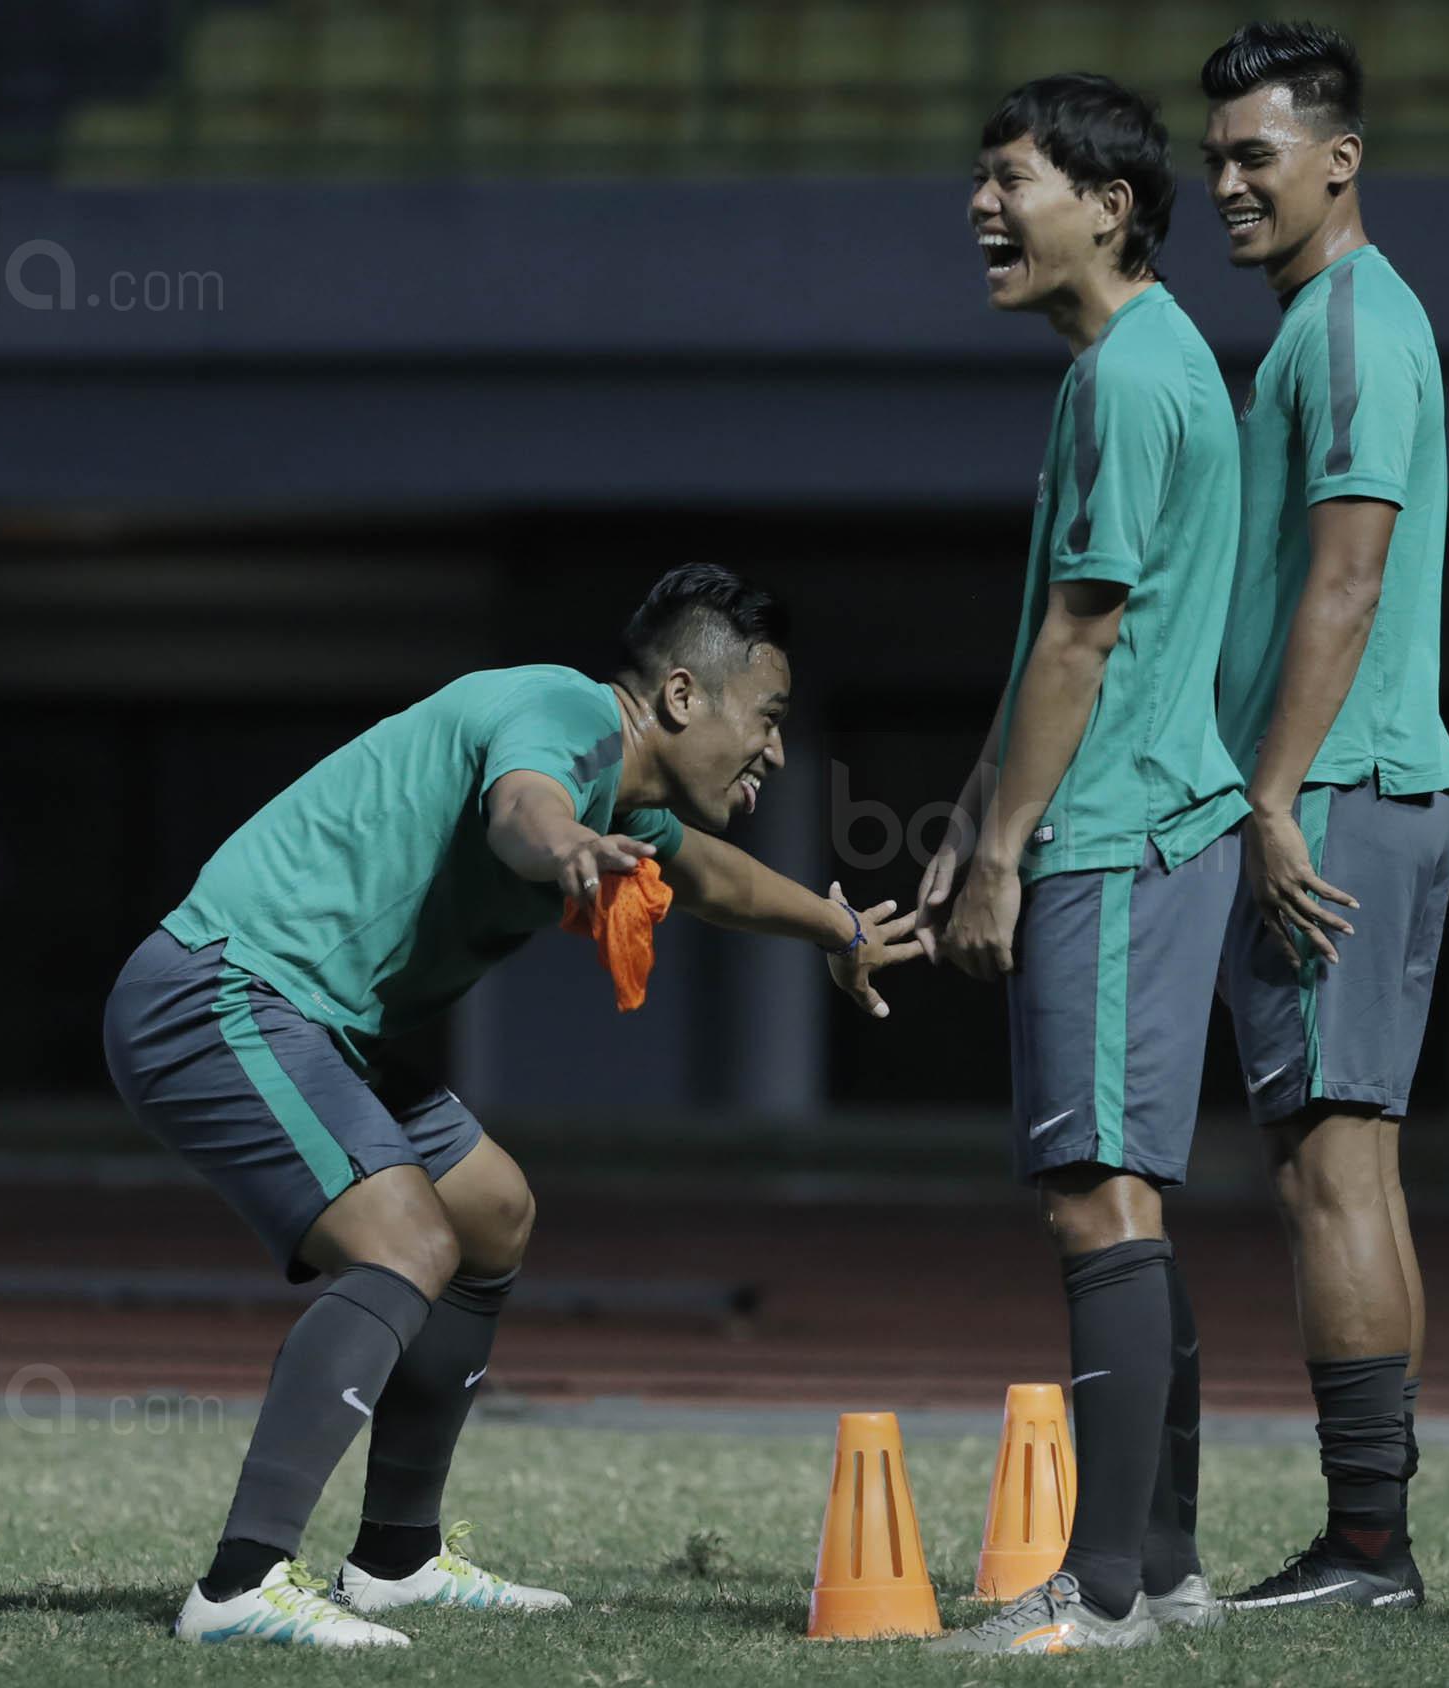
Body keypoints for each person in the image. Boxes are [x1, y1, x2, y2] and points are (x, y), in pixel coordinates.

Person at [103, 564, 923, 1648]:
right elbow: (521, 809)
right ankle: (240, 1585)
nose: (775, 747)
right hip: (222, 993)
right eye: (765, 719)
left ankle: (395, 1556)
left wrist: (837, 929)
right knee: (403, 1243)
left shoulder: (622, 791)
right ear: (681, 696)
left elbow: (715, 878)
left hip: (325, 1024)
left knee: (491, 1209)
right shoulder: (564, 715)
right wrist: (565, 847)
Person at [918, 72, 1251, 1655]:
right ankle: (1163, 1567)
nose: (984, 208)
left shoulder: (1130, 375)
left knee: (1095, 1200)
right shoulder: (1136, 362)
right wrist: (976, 811)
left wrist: (1005, 856)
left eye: (1012, 181)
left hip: (1113, 841)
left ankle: (1102, 1589)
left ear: (1109, 208)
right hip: (1125, 825)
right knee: (1124, 1201)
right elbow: (1059, 634)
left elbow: (1085, 632)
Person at [1197, 20, 1449, 1613]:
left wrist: (1275, 795)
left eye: (1257, 155)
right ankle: (1375, 1539)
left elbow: (1348, 574)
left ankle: (1370, 1547)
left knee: (1329, 1169)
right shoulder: (1324, 323)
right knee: (1345, 1161)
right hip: (1364, 783)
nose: (1227, 181)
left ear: (1339, 161)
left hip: (1340, 791)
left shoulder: (1355, 324)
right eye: (1215, 156)